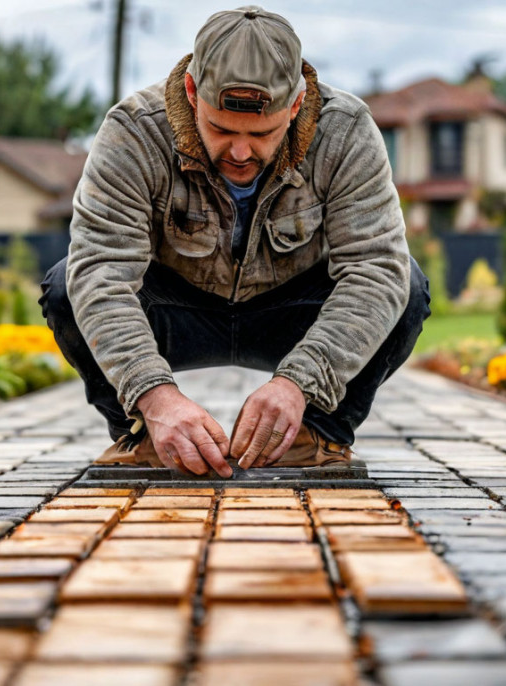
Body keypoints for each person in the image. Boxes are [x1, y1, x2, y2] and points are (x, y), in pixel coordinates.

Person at [39, 5, 430, 478]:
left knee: (405, 284)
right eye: (220, 129)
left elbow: (375, 271)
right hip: (176, 310)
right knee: (66, 285)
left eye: (262, 134)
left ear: (297, 104)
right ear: (191, 92)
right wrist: (155, 395)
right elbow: (101, 271)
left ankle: (316, 435)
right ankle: (143, 431)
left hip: (293, 314)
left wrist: (298, 384)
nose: (240, 153)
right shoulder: (133, 133)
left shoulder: (346, 133)